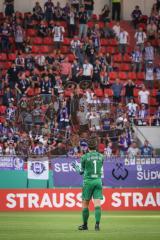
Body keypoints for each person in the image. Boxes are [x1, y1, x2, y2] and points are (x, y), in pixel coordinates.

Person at [72, 137, 104, 231]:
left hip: (88, 182)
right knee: (97, 204)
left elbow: (81, 172)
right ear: (96, 146)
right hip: (98, 181)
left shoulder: (84, 157)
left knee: (85, 203)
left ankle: (85, 225)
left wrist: (76, 167)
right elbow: (100, 165)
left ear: (88, 147)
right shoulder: (101, 156)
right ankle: (97, 225)